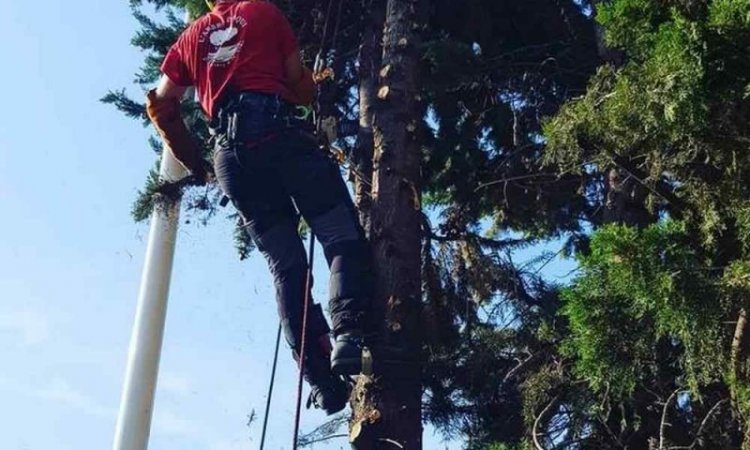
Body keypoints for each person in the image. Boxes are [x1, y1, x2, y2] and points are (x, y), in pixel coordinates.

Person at [145, 0, 372, 415]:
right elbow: (297, 85)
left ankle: (322, 380)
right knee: (339, 235)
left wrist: (196, 162)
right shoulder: (264, 13)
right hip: (280, 135)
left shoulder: (189, 39)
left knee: (287, 268)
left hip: (231, 160)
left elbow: (161, 103)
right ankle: (349, 334)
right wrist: (311, 88)